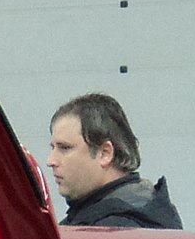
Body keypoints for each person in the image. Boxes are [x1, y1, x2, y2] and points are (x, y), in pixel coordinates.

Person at [47, 93, 182, 229]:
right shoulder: (143, 211)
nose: (51, 161)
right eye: (53, 148)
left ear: (105, 153)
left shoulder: (114, 230)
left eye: (65, 148)